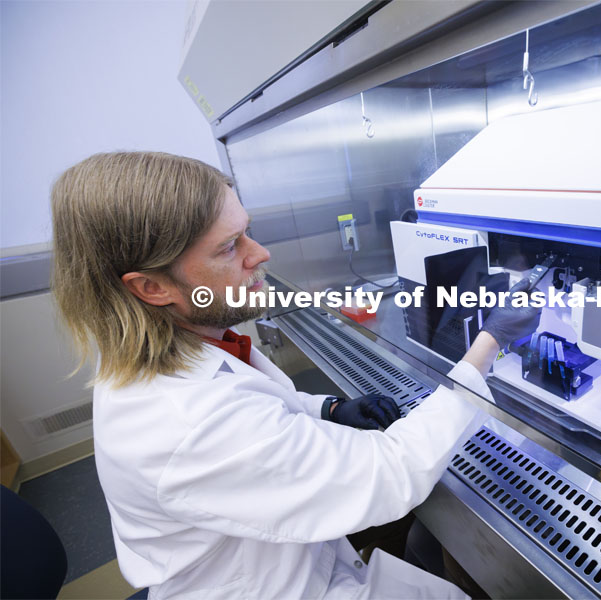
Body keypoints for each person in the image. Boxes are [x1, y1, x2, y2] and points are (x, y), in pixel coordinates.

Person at [50, 152, 541, 599]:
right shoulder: (187, 421)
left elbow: (255, 409)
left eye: (247, 230)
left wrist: (324, 408)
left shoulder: (175, 342)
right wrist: (489, 343)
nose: (259, 253)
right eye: (228, 248)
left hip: (291, 564)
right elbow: (391, 473)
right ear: (152, 286)